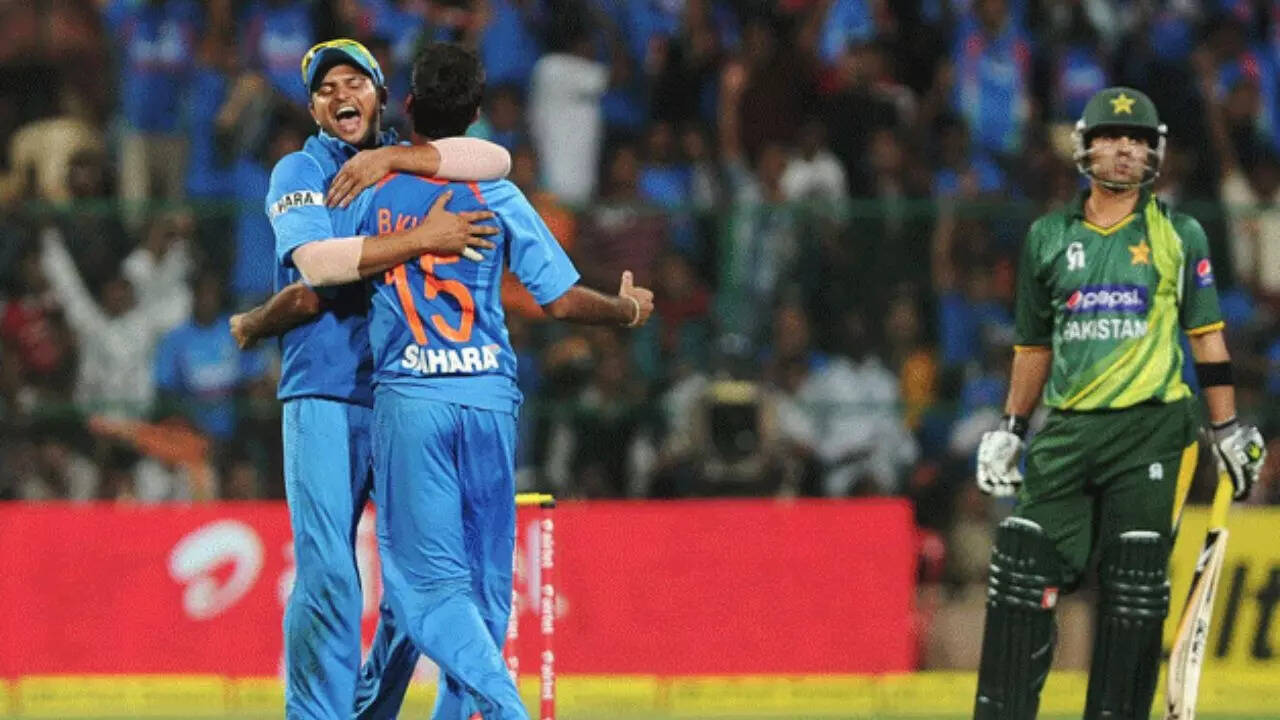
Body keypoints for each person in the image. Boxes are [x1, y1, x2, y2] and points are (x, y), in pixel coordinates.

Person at [342, 43, 653, 718]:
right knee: (479, 595)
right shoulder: (496, 192)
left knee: (426, 589)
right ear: (477, 113)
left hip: (413, 401)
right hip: (487, 400)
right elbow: (562, 300)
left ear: (409, 106)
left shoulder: (371, 187)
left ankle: (508, 711)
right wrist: (625, 309)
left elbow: (329, 274)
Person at [228, 38, 512, 720]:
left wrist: (392, 158)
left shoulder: (407, 165)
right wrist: (422, 239)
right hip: (325, 393)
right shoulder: (300, 168)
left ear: (382, 96)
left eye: (354, 82)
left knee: (419, 581)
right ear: (313, 110)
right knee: (329, 570)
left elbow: (498, 160)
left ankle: (368, 710)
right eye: (325, 90)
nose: (340, 96)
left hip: (406, 397)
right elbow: (316, 267)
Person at [971, 87, 1268, 720]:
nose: (1125, 148)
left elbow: (1207, 337)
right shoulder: (1048, 237)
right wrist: (1011, 428)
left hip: (1151, 431)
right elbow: (1033, 346)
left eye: (1137, 139)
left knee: (1134, 580)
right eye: (1111, 136)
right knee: (1021, 563)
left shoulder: (1178, 234)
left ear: (1154, 153)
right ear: (1085, 147)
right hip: (1068, 429)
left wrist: (1227, 429)